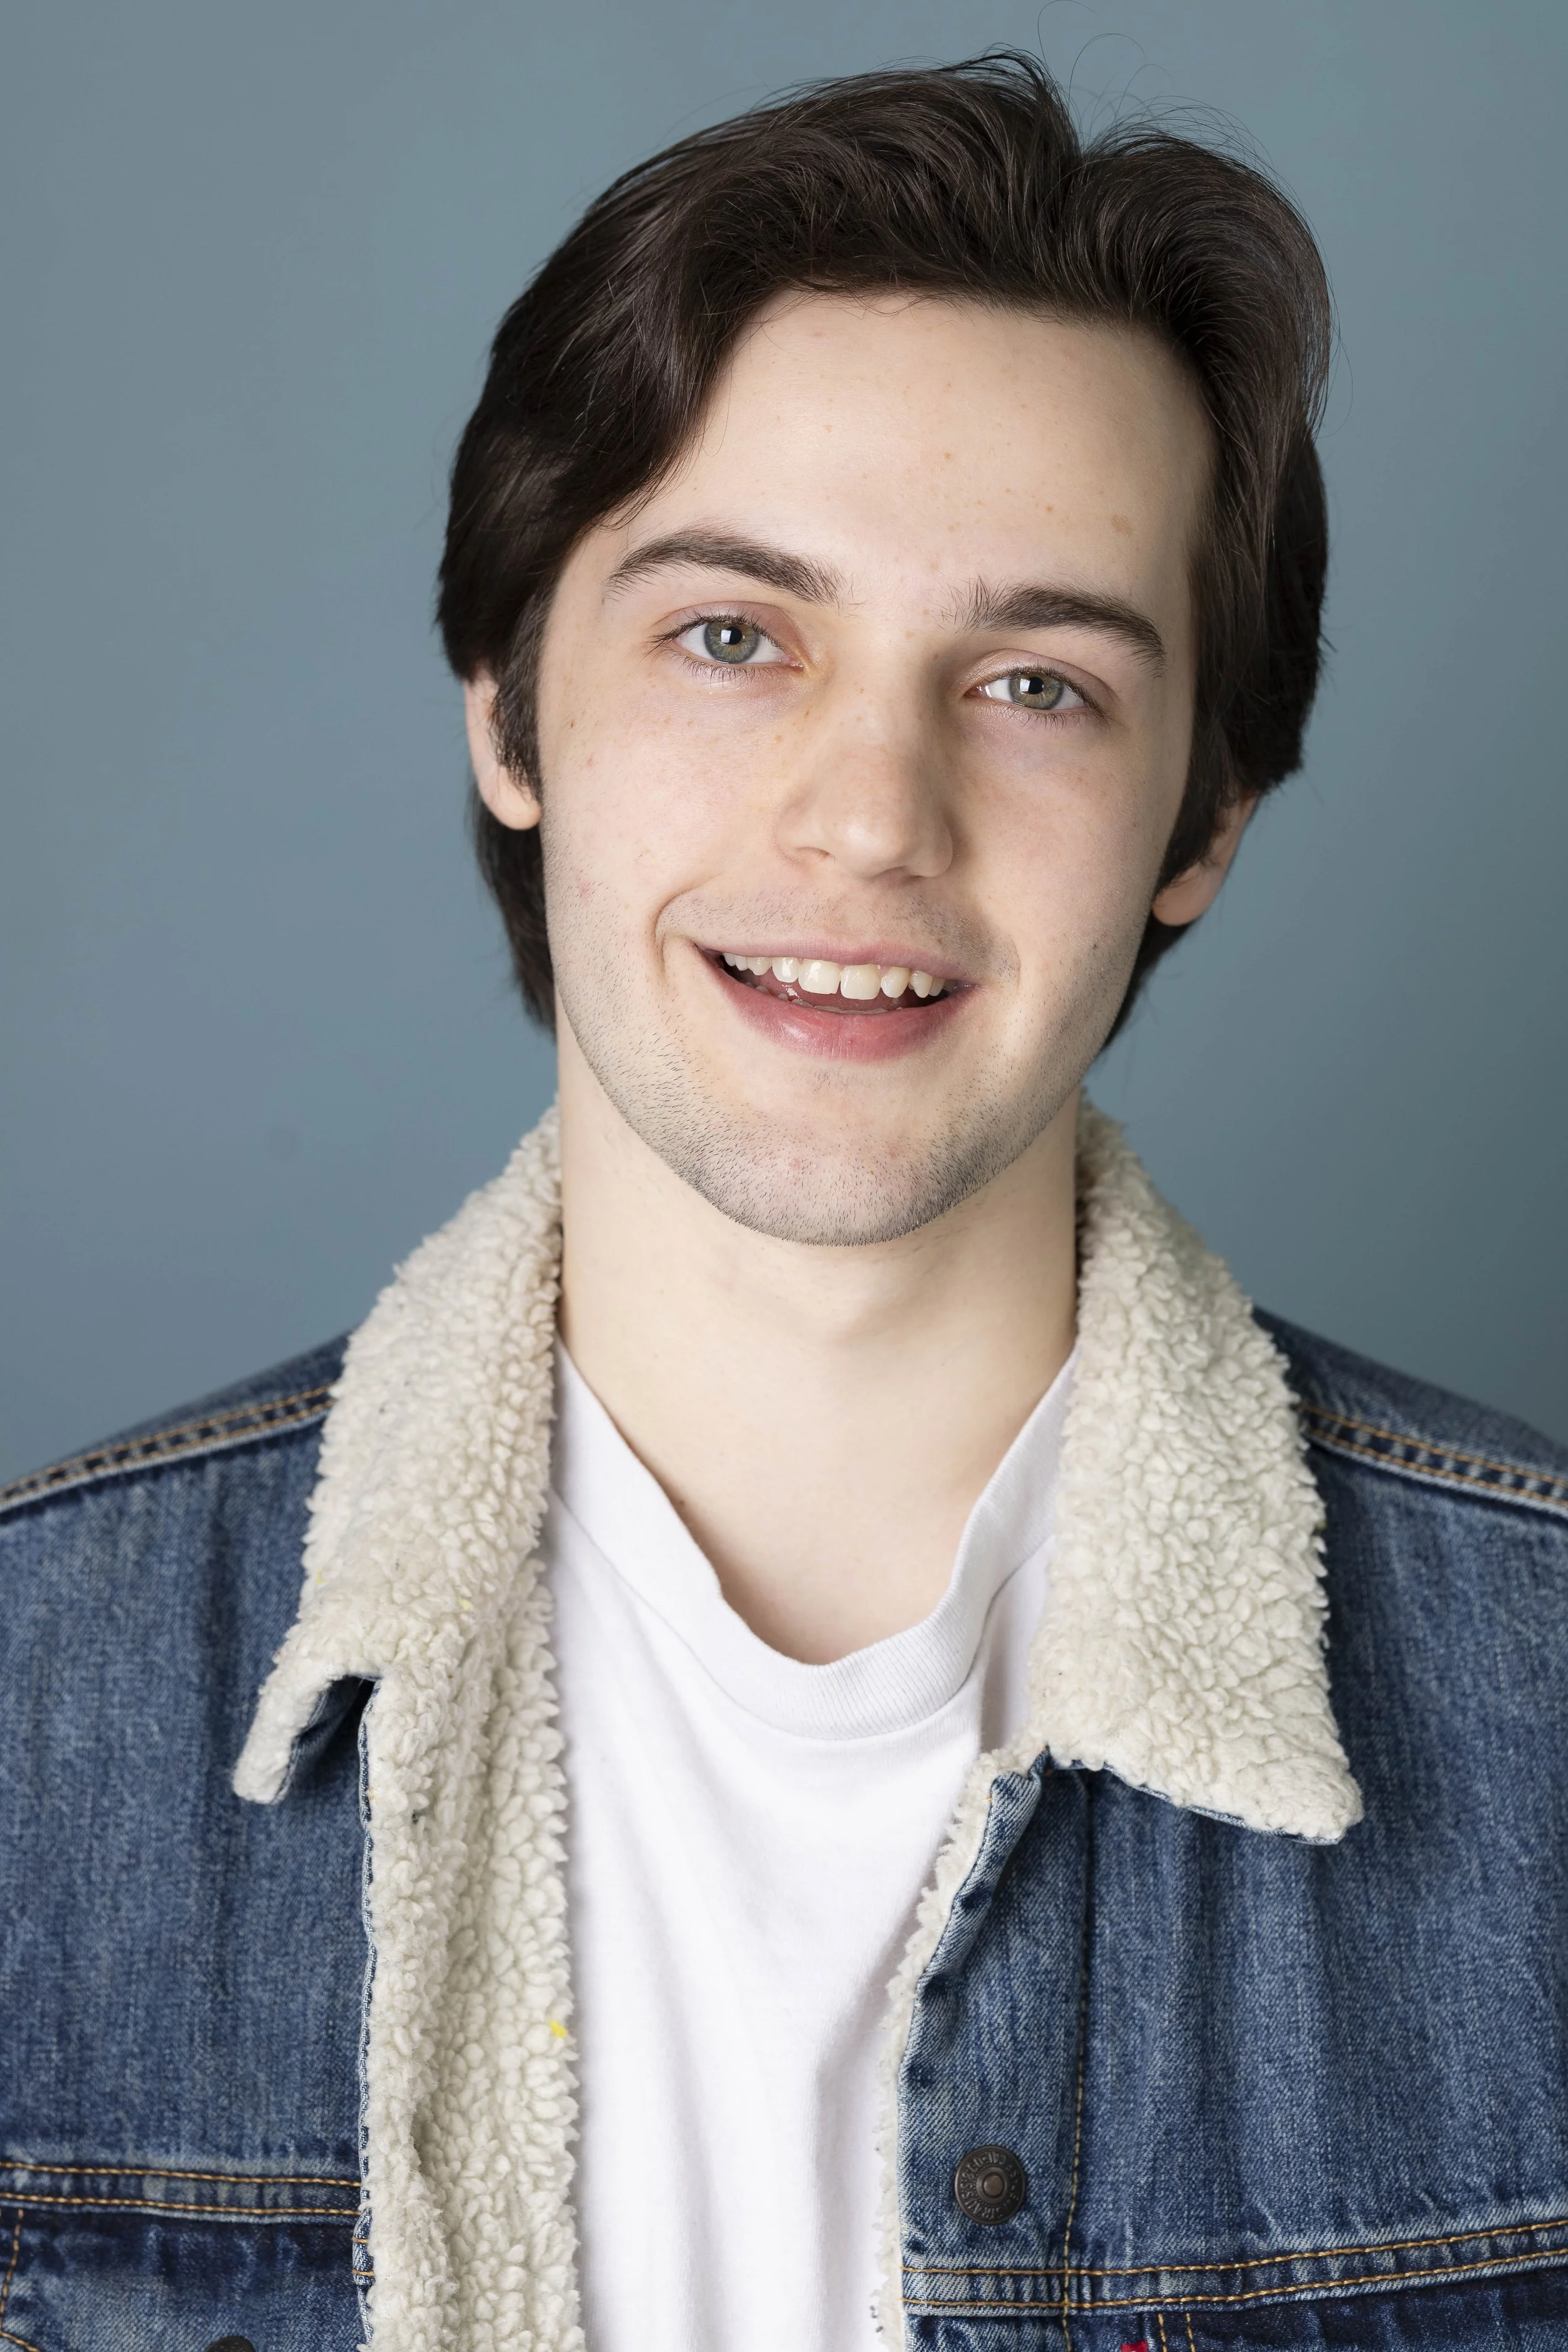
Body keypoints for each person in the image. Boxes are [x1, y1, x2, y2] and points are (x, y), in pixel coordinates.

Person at [3, 50, 1566, 2352]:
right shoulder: (34, 1716)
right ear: (510, 714)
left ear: (1202, 818)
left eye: (1034, 681)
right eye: (731, 634)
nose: (869, 817)